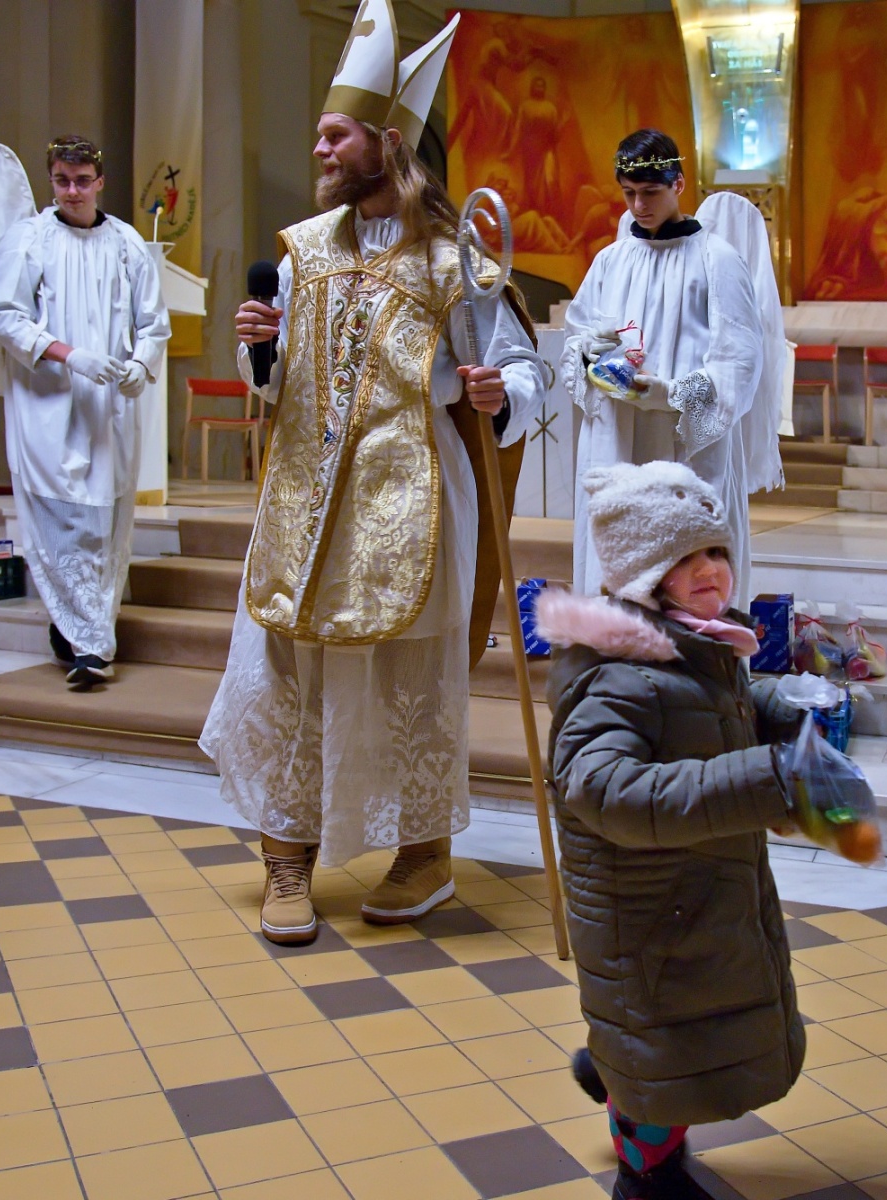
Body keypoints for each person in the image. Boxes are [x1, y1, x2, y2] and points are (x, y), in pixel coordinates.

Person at [199, 0, 547, 945]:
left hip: (413, 499)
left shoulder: (453, 261)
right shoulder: (304, 251)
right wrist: (259, 350)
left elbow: (528, 373)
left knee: (411, 682)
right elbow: (276, 384)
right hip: (304, 504)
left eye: (334, 134)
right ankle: (285, 859)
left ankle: (423, 854)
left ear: (386, 144)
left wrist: (498, 393)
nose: (319, 147)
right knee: (286, 676)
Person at [534, 461, 876, 1200]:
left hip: (698, 893)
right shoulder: (614, 677)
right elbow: (607, 789)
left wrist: (779, 707)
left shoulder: (696, 647)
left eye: (716, 551)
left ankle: (621, 1071)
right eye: (684, 558)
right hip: (649, 911)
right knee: (666, 1043)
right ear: (643, 574)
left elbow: (709, 711)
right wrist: (769, 779)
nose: (709, 570)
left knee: (678, 1034)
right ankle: (646, 1175)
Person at [0, 135, 171, 688]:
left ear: (99, 182)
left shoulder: (127, 242)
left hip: (110, 405)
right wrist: (69, 355)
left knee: (104, 519)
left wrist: (140, 364)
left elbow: (154, 322)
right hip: (48, 400)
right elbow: (4, 315)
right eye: (62, 181)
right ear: (52, 181)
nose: (72, 191)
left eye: (82, 181)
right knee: (64, 514)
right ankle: (89, 644)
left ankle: (82, 634)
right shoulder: (29, 239)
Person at [559, 130, 774, 601]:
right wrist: (590, 353)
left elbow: (738, 363)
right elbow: (576, 338)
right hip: (617, 440)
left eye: (650, 192)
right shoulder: (610, 261)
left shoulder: (717, 260)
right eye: (628, 193)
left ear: (678, 184)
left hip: (685, 448)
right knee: (617, 568)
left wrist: (668, 394)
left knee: (683, 572)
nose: (638, 206)